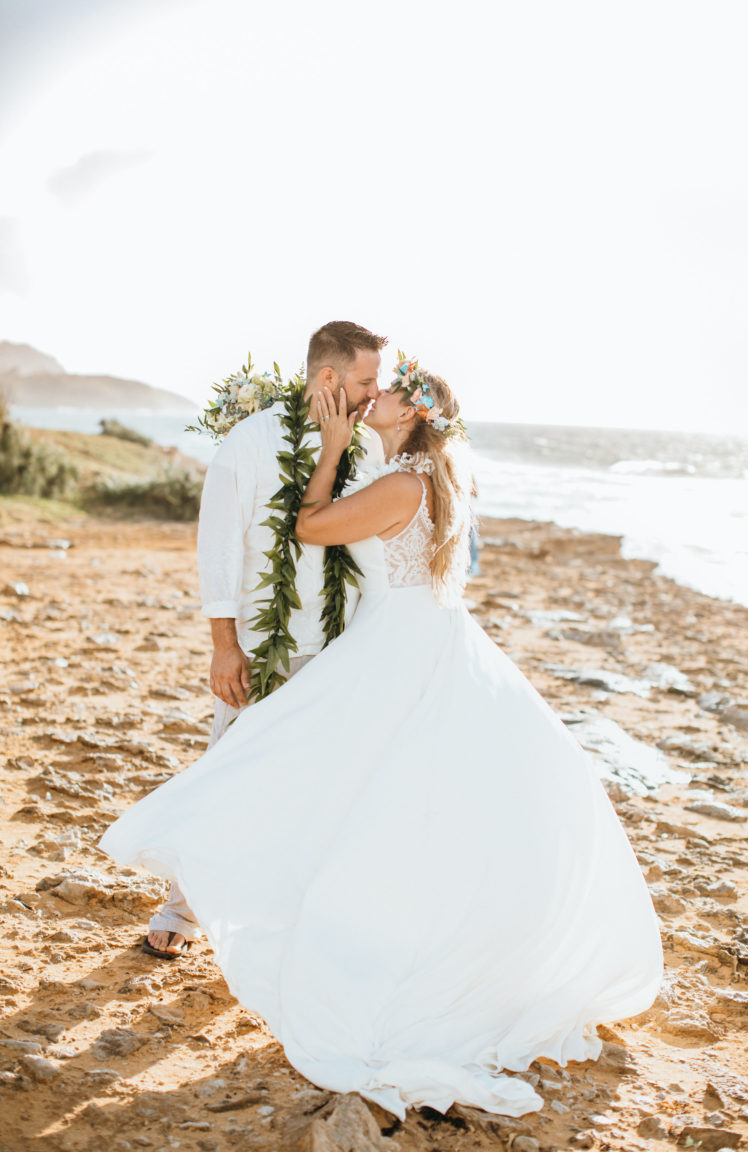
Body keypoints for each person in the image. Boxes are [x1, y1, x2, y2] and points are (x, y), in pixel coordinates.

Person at [99, 361, 663, 1119]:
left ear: (414, 412)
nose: (374, 396)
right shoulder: (433, 475)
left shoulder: (401, 483)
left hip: (396, 648)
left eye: (388, 391)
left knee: (322, 772)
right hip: (428, 640)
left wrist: (330, 445)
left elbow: (310, 525)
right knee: (397, 795)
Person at [142, 319, 387, 959]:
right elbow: (217, 549)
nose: (373, 393)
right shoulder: (250, 443)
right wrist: (225, 644)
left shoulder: (365, 449)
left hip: (340, 647)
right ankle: (183, 907)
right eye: (365, 381)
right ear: (328, 378)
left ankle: (291, 917)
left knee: (321, 787)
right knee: (228, 773)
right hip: (260, 643)